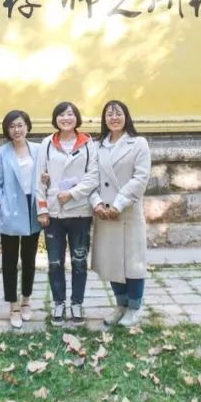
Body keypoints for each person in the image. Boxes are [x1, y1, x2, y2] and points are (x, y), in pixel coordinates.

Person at [34, 101, 99, 325]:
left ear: (76, 118)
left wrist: (72, 193)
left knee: (79, 260)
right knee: (54, 262)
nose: (66, 118)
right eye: (61, 115)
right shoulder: (47, 144)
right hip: (54, 213)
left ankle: (77, 303)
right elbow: (39, 178)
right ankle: (59, 303)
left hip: (80, 211)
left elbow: (93, 176)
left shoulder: (88, 144)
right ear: (55, 119)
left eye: (70, 114)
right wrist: (42, 209)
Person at [91, 100, 151, 328]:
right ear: (104, 119)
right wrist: (96, 202)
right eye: (109, 114)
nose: (114, 118)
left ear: (126, 116)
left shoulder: (138, 143)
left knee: (133, 262)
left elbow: (140, 178)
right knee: (111, 261)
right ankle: (121, 305)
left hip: (127, 211)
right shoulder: (97, 146)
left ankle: (135, 308)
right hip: (104, 213)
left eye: (118, 113)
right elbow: (89, 178)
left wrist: (118, 204)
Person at [0, 109, 41, 329]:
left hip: (32, 207)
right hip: (11, 208)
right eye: (12, 126)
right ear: (7, 130)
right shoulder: (1, 153)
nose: (17, 130)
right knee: (10, 260)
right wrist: (3, 207)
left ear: (27, 126)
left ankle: (26, 300)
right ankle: (13, 306)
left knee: (29, 258)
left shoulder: (39, 150)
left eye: (20, 125)